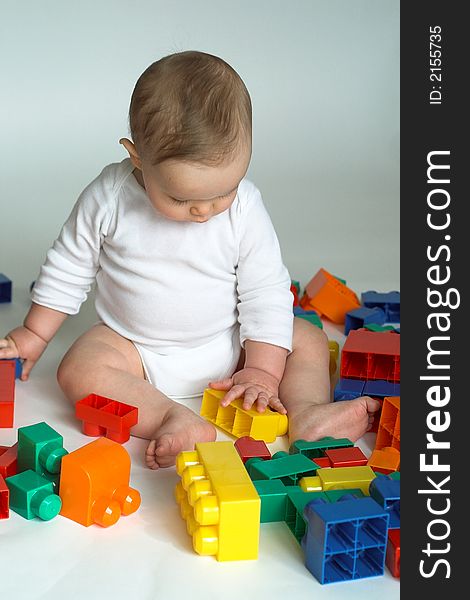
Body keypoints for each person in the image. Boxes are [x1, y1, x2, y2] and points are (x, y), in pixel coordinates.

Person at [0, 51, 379, 468]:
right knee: (77, 368)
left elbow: (265, 289)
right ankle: (170, 416)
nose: (205, 210)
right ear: (136, 156)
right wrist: (34, 334)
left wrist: (263, 372)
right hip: (134, 349)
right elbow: (69, 266)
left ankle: (306, 413)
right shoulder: (109, 197)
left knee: (301, 337)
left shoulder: (245, 208)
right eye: (181, 198)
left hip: (230, 343)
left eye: (224, 191)